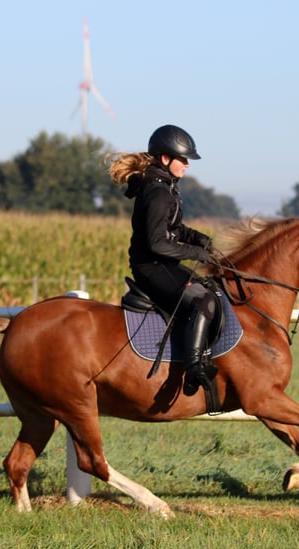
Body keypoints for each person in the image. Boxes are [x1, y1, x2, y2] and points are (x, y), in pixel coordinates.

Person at [108, 124, 219, 396]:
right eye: (183, 159)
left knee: (209, 290)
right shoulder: (158, 192)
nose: (187, 165)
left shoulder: (165, 186)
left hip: (162, 264)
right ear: (165, 159)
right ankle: (194, 368)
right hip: (152, 266)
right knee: (203, 300)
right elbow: (157, 243)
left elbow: (174, 229)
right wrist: (196, 253)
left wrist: (199, 239)